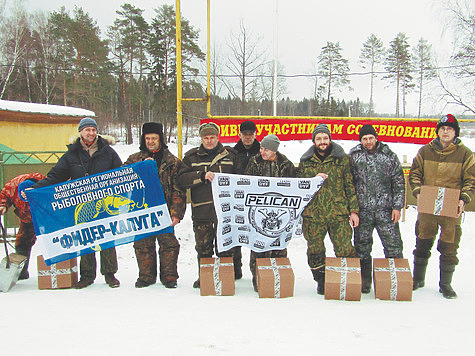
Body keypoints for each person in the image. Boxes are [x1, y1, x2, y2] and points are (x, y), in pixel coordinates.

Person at [31, 117, 122, 289]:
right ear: (80, 132)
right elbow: (56, 176)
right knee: (86, 238)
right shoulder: (71, 154)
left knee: (107, 237)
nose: (91, 133)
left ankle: (110, 274)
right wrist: (36, 189)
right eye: (87, 130)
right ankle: (87, 275)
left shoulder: (108, 152)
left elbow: (120, 174)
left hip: (105, 203)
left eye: (93, 130)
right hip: (82, 205)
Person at [409, 114, 475, 299]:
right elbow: (415, 174)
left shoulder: (465, 154)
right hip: (428, 207)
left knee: (449, 247)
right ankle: (418, 278)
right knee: (422, 242)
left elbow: (471, 180)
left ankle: (445, 284)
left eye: (450, 129)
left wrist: (463, 199)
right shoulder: (425, 151)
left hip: (451, 209)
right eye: (443, 128)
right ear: (438, 131)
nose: (446, 132)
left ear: (455, 132)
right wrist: (418, 192)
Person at [177, 122, 242, 288]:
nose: (209, 141)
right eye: (206, 138)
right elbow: (182, 179)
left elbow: (242, 179)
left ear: (218, 137)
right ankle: (204, 278)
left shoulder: (231, 155)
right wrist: (201, 175)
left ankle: (226, 277)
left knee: (226, 247)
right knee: (203, 248)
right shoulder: (192, 157)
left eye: (212, 137)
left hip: (226, 213)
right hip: (202, 212)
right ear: (201, 139)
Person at [296, 123, 359, 295]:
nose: (322, 141)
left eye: (325, 138)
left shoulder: (342, 159)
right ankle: (321, 280)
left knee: (344, 247)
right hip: (313, 215)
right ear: (314, 141)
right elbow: (300, 187)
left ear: (330, 139)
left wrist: (353, 211)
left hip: (338, 213)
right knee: (315, 249)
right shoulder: (305, 161)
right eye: (319, 138)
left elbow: (349, 185)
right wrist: (312, 179)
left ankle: (346, 279)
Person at [124, 122, 186, 289]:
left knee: (169, 244)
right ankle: (146, 276)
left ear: (161, 139)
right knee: (143, 244)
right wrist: (141, 168)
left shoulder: (172, 161)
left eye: (154, 138)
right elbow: (122, 181)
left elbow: (178, 189)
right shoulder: (133, 160)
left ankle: (169, 276)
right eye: (148, 138)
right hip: (140, 209)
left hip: (164, 210)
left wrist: (176, 213)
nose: (151, 141)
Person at [349, 124, 405, 293]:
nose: (368, 142)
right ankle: (365, 283)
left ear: (376, 138)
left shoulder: (389, 156)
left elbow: (399, 182)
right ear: (360, 140)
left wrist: (397, 206)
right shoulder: (354, 156)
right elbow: (349, 183)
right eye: (364, 139)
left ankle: (394, 282)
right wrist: (352, 210)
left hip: (386, 211)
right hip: (363, 212)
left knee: (393, 246)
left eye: (370, 138)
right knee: (362, 247)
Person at [244, 134, 295, 291]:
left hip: (280, 212)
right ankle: (258, 279)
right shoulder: (254, 162)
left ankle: (279, 279)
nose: (262, 151)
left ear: (274, 150)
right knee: (258, 247)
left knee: (279, 247)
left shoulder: (286, 164)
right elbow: (246, 182)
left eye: (266, 149)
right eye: (261, 148)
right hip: (259, 212)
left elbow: (294, 186)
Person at [0, 173, 46, 279]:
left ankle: (59, 271)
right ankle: (21, 272)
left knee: (53, 240)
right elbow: (4, 195)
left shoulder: (47, 183)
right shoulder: (13, 186)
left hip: (45, 216)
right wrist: (3, 205)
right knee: (22, 242)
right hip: (26, 217)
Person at [232, 120, 261, 279]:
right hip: (238, 200)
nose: (248, 137)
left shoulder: (263, 151)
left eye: (251, 134)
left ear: (255, 135)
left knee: (256, 234)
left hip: (257, 201)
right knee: (236, 234)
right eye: (245, 134)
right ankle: (236, 269)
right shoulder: (233, 152)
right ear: (240, 135)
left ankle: (257, 270)